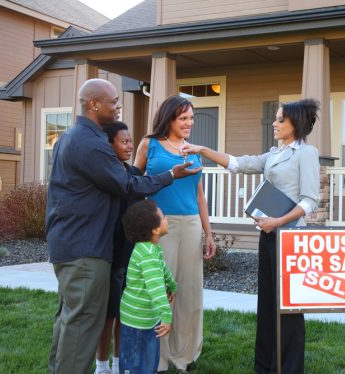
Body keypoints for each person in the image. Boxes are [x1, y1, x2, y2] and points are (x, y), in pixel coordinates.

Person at [46, 78, 201, 374]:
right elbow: (127, 185)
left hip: (69, 243)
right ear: (93, 104)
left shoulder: (71, 137)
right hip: (85, 248)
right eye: (114, 101)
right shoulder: (90, 144)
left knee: (69, 318)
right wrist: (171, 174)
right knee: (83, 324)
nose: (119, 106)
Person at [183, 98, 321, 373]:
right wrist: (202, 149)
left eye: (281, 119)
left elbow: (310, 200)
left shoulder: (306, 153)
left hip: (289, 239)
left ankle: (289, 367)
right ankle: (266, 366)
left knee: (289, 309)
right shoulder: (275, 153)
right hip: (269, 235)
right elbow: (238, 164)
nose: (275, 122)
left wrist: (278, 221)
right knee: (268, 303)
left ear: (296, 124)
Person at [134, 95, 217, 373]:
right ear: (169, 118)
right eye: (183, 118)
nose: (189, 123)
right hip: (160, 226)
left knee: (189, 290)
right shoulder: (150, 144)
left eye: (191, 118)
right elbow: (135, 182)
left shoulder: (193, 150)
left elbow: (199, 194)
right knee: (161, 289)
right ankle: (157, 356)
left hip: (191, 223)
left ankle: (184, 354)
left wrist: (208, 233)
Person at [95, 122, 145, 374]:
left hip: (130, 252)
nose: (129, 145)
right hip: (108, 254)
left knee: (124, 314)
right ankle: (102, 366)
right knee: (108, 314)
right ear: (109, 145)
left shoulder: (133, 173)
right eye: (124, 141)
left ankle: (118, 364)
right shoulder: (103, 175)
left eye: (130, 141)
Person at [119, 200, 177, 374]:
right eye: (163, 217)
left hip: (148, 319)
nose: (166, 218)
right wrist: (166, 315)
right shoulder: (148, 254)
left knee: (148, 364)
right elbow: (156, 288)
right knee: (136, 366)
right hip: (137, 323)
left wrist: (172, 285)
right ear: (155, 229)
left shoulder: (151, 249)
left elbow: (163, 271)